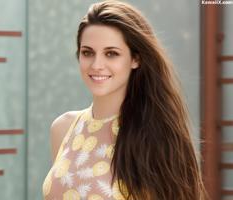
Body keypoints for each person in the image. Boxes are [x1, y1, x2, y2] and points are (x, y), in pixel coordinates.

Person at [42, 0, 206, 199]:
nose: (97, 65)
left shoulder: (155, 135)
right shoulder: (62, 128)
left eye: (111, 53)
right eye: (88, 53)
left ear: (135, 59)